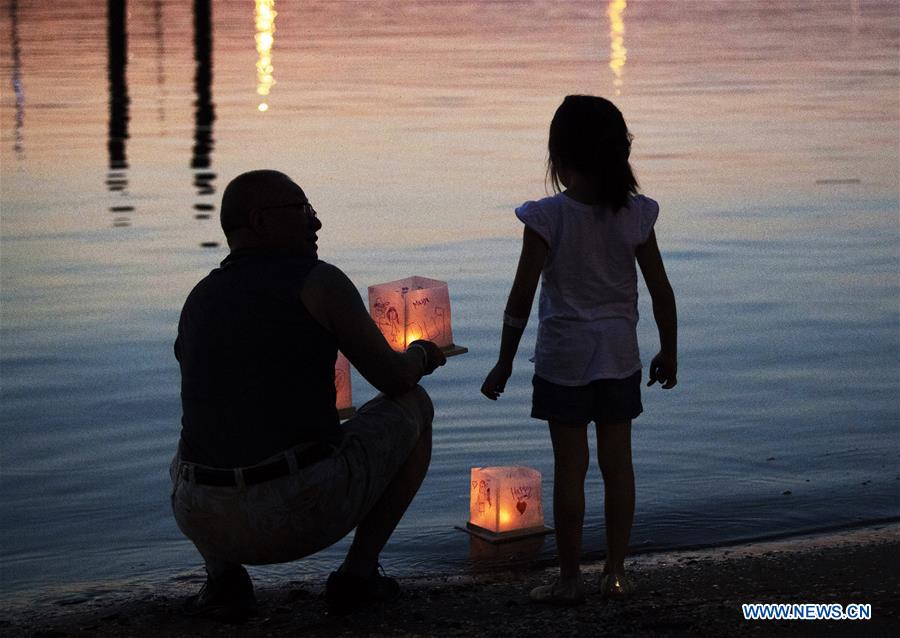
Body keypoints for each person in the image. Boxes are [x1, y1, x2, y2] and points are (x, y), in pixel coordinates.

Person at [171, 170, 446, 619]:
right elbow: (393, 379)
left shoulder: (199, 297)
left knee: (192, 441)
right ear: (260, 221)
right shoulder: (319, 282)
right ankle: (359, 574)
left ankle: (224, 581)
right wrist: (420, 355)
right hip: (299, 514)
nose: (315, 223)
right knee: (415, 406)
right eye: (303, 210)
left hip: (203, 518)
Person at [481, 96, 677, 605]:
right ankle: (616, 573)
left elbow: (520, 298)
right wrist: (669, 349)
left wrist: (504, 359)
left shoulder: (547, 217)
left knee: (571, 469)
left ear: (559, 158)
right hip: (618, 357)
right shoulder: (636, 214)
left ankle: (569, 580)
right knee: (619, 466)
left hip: (563, 360)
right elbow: (661, 290)